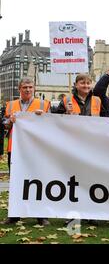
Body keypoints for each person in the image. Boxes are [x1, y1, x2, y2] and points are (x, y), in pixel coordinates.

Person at [1, 77, 50, 226]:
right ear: (19, 89)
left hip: (36, 149)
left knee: (38, 181)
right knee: (15, 181)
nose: (28, 90)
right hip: (15, 149)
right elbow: (4, 123)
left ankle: (40, 215)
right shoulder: (10, 105)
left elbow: (52, 124)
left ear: (34, 88)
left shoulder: (44, 104)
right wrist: (9, 121)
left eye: (30, 87)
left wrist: (44, 117)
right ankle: (14, 214)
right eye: (25, 87)